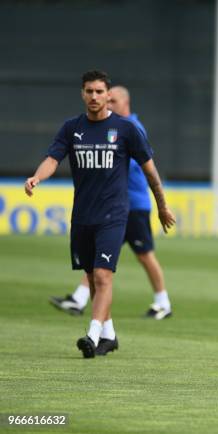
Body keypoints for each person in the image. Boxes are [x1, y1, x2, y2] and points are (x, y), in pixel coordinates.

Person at [25, 70, 175, 358]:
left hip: (115, 214)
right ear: (82, 94)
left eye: (99, 92)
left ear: (108, 96)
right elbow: (53, 158)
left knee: (104, 276)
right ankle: (109, 334)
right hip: (83, 216)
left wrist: (162, 205)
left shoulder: (127, 130)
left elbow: (151, 172)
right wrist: (36, 177)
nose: (94, 97)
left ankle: (92, 334)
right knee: (93, 277)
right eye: (89, 91)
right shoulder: (71, 128)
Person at [49, 85, 173, 321]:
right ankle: (80, 298)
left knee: (144, 254)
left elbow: (142, 165)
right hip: (111, 206)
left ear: (125, 103)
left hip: (134, 204)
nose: (107, 103)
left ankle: (163, 301)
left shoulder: (132, 128)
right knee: (99, 260)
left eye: (113, 100)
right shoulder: (109, 126)